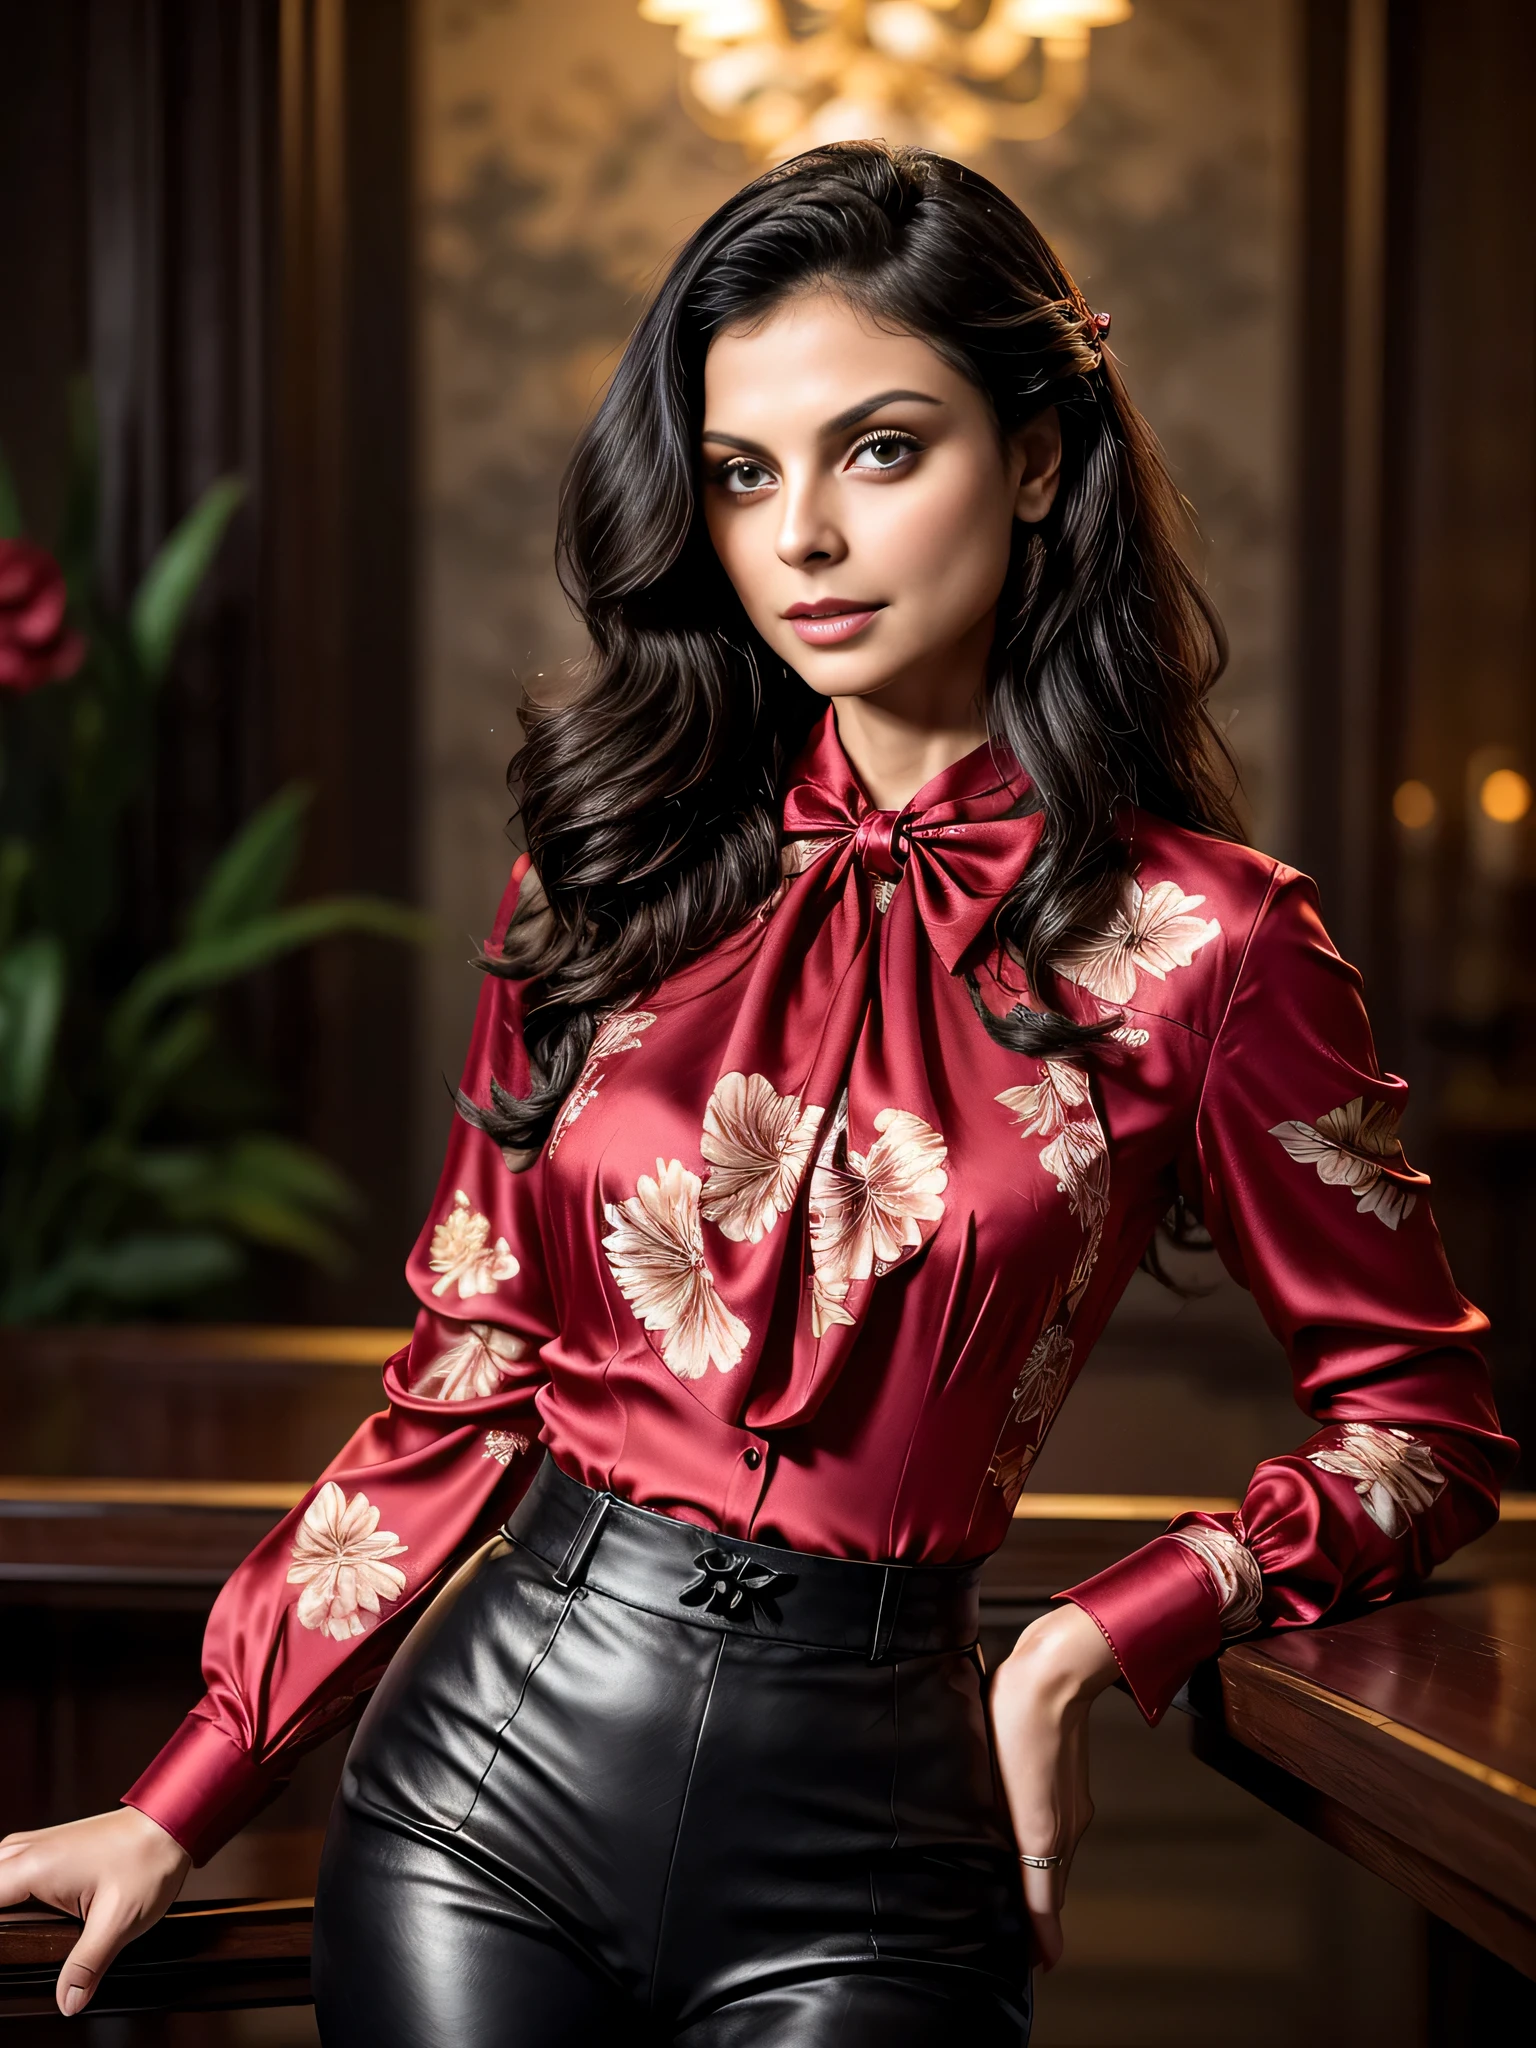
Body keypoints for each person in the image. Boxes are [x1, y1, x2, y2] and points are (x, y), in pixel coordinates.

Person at [0, 143, 1515, 2046]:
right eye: (742, 471)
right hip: (482, 1798)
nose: (800, 533)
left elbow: (1427, 1431)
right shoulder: (604, 877)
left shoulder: (1211, 945)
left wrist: (1084, 1639)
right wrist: (182, 1795)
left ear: (1039, 459)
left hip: (881, 1830)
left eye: (880, 449)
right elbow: (464, 1381)